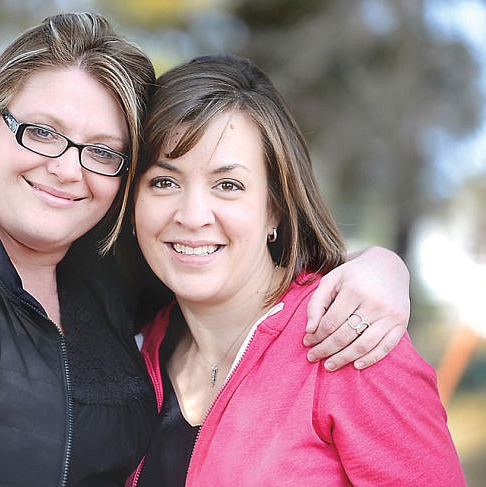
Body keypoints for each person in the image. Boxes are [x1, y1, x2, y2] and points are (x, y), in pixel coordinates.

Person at [0, 13, 410, 487]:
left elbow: (233, 266)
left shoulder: (110, 285)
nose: (66, 169)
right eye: (42, 132)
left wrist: (379, 267)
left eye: (103, 151)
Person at [126, 54, 465, 486]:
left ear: (276, 209)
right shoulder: (136, 349)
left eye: (227, 185)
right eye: (164, 182)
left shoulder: (350, 343)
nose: (192, 215)